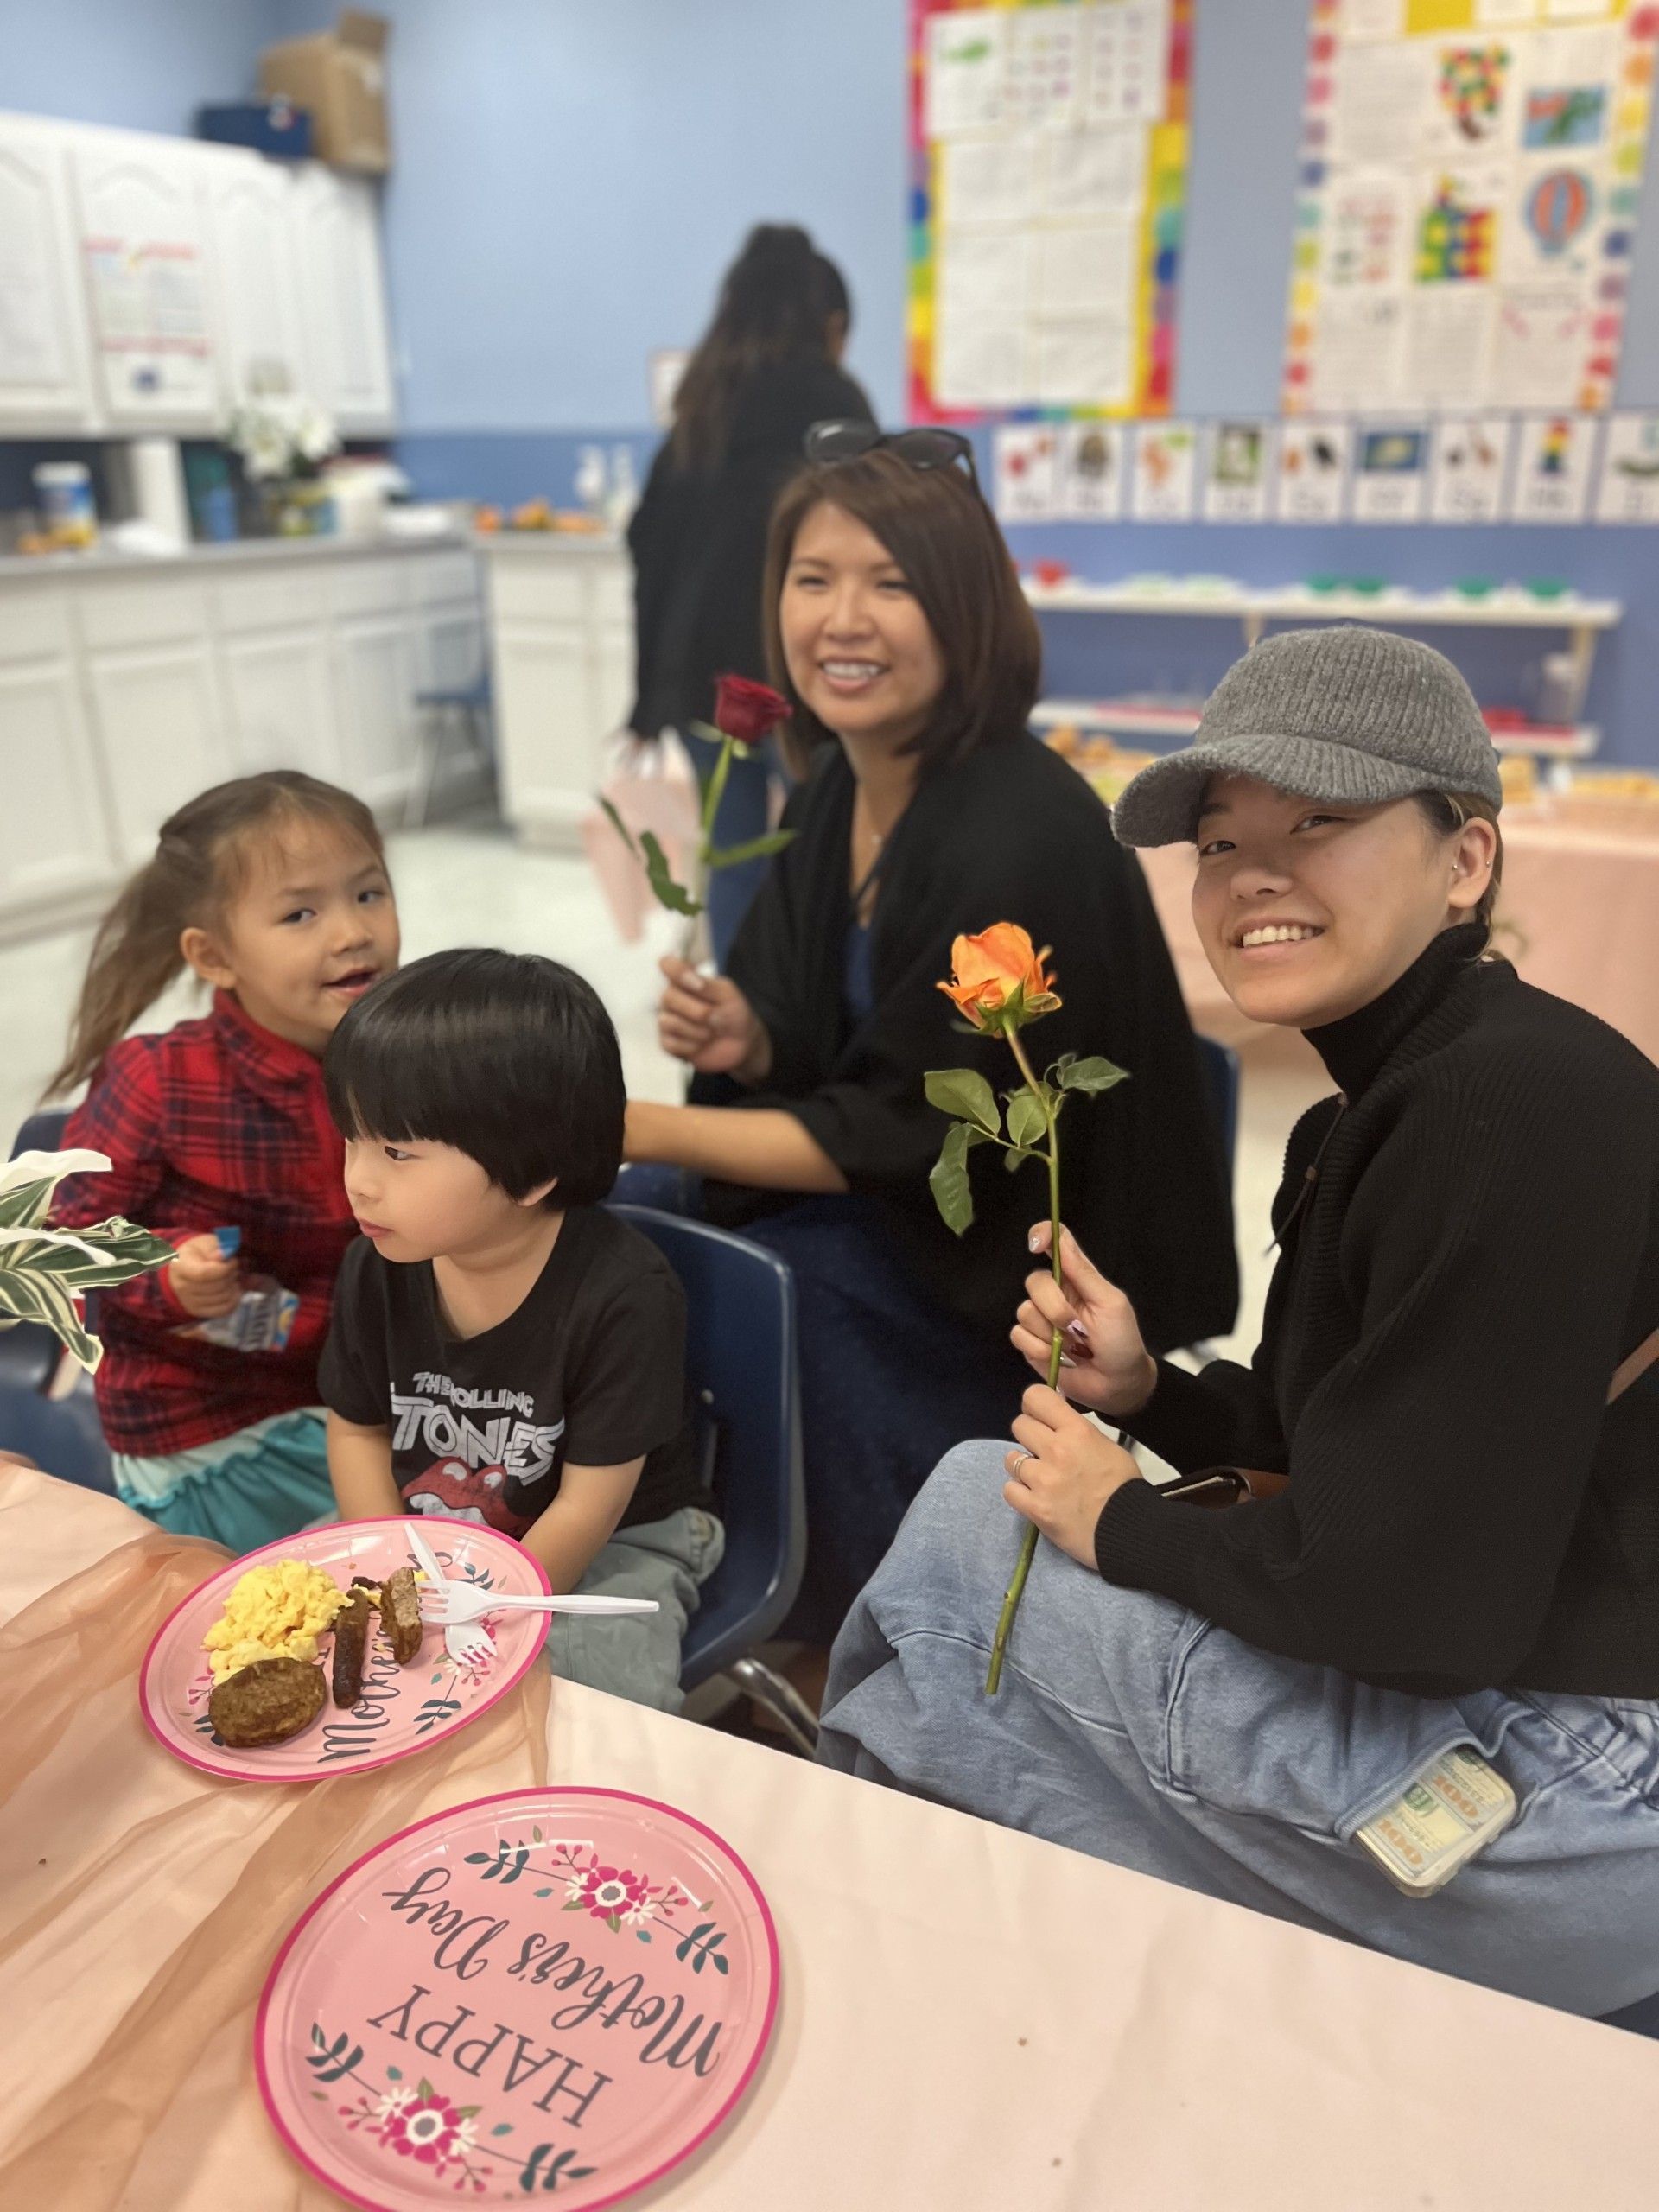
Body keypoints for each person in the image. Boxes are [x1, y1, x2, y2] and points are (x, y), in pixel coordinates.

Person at [818, 626, 1659, 2019]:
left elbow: (1412, 1606)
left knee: (968, 1551)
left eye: (1319, 822)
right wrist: (1149, 1394)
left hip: (1592, 1794)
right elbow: (1342, 1448)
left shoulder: (1501, 1107)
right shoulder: (1400, 1101)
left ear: (1466, 860)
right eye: (1220, 842)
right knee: (975, 1625)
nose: (1254, 876)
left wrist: (1124, 1525)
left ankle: (868, 1950)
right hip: (1539, 1713)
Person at [624, 435, 1236, 1644]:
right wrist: (755, 1038)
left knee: (767, 1283)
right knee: (629, 1213)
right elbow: (842, 1042)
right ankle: (667, 1554)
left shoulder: (1020, 832)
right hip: (899, 1200)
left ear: (965, 608)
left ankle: (882, 1639)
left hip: (1003, 1258)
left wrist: (628, 1117)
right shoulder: (842, 786)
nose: (842, 619)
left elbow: (912, 1129)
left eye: (890, 583)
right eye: (813, 578)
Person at [318, 949, 721, 1713]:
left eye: (397, 1152)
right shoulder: (376, 1265)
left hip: (617, 1538)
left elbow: (588, 1506)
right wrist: (391, 1577)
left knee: (574, 1703)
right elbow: (358, 1430)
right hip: (434, 1528)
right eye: (352, 1139)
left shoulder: (626, 1295)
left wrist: (484, 1614)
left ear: (532, 1173)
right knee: (308, 1631)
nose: (359, 1180)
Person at [49, 772, 400, 1549]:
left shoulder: (403, 1052)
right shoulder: (161, 1080)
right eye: (300, 913)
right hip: (214, 1432)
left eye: (369, 893)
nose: (352, 932)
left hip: (356, 1396)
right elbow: (58, 1245)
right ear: (214, 956)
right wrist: (168, 1275)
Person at [626, 223, 874, 963]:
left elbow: (649, 550)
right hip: (803, 671)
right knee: (830, 854)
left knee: (732, 857)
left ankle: (741, 1009)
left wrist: (647, 696)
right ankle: (823, 1013)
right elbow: (876, 535)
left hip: (705, 683)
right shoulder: (835, 400)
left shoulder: (702, 407)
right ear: (828, 324)